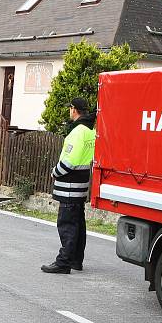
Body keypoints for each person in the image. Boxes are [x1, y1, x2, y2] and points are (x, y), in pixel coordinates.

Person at [41, 97, 96, 274]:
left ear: (74, 110)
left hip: (69, 186)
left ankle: (63, 262)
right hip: (81, 185)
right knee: (78, 224)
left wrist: (54, 172)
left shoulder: (77, 132)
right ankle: (75, 260)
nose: (69, 111)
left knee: (67, 225)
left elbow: (68, 162)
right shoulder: (90, 131)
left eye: (70, 108)